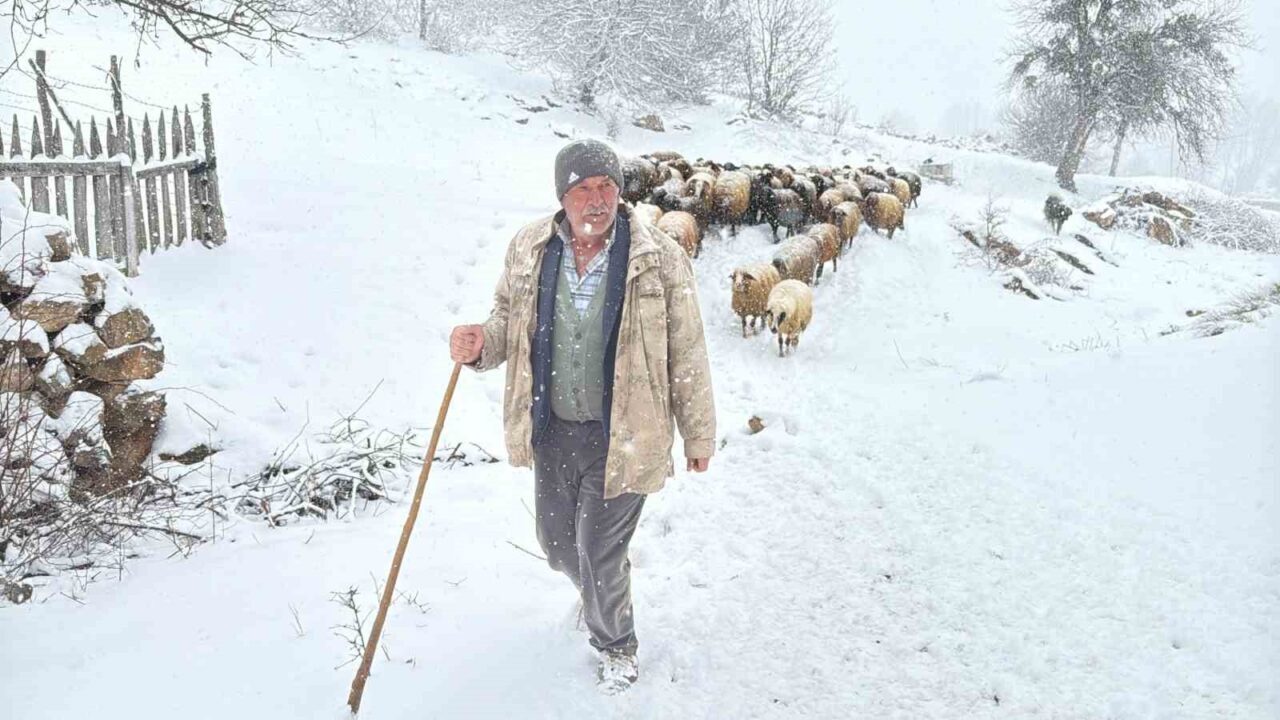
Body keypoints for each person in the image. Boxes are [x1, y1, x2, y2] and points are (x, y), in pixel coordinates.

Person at [448, 138, 716, 694]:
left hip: (625, 434)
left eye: (606, 188)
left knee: (597, 550)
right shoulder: (531, 247)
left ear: (620, 193)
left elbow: (687, 350)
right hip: (553, 428)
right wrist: (480, 345)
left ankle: (617, 643)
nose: (596, 200)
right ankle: (600, 591)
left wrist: (698, 432)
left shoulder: (660, 257)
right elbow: (507, 321)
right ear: (562, 197)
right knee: (555, 545)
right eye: (582, 190)